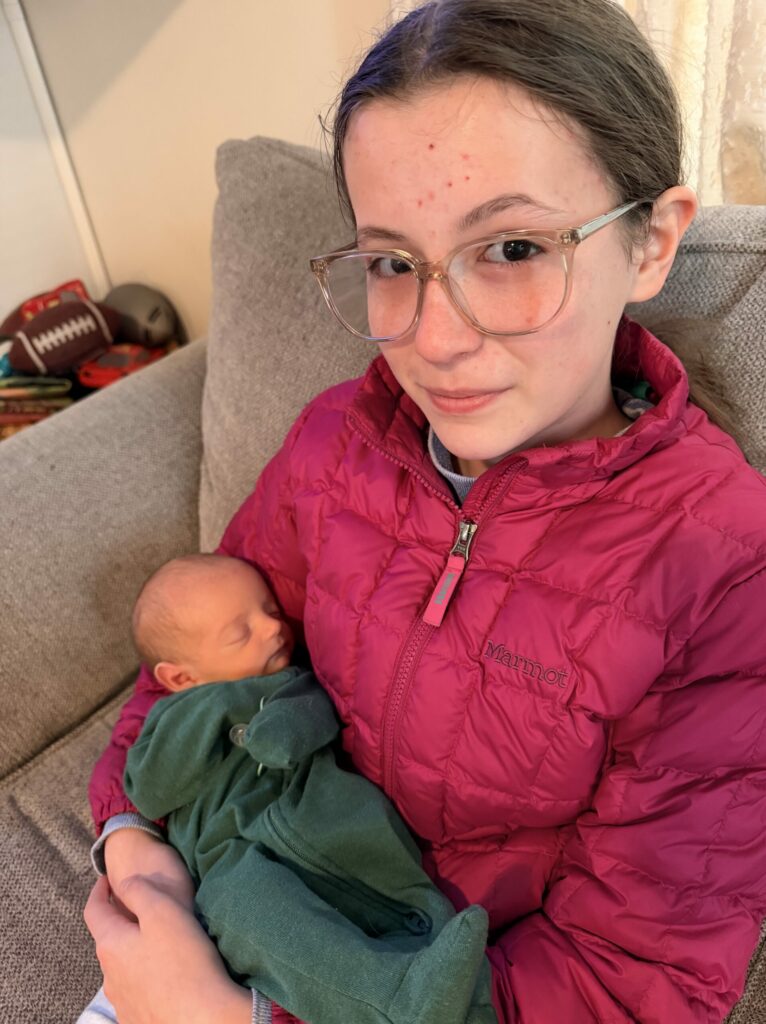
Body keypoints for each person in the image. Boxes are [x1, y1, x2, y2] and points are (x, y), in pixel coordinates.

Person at [83, 1, 766, 1021]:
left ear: (652, 242)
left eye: (512, 248)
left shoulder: (724, 568)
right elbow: (191, 652)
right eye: (394, 265)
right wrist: (133, 845)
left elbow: (634, 983)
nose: (435, 339)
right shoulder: (336, 444)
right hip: (225, 903)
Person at [79, 554, 494, 1024]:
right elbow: (151, 788)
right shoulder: (173, 717)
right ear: (180, 678)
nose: (273, 628)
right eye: (241, 633)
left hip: (317, 820)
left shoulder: (295, 683)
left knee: (382, 869)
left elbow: (304, 727)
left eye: (271, 611)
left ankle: (444, 965)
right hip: (233, 866)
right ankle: (401, 999)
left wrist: (276, 713)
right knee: (241, 908)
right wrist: (229, 705)